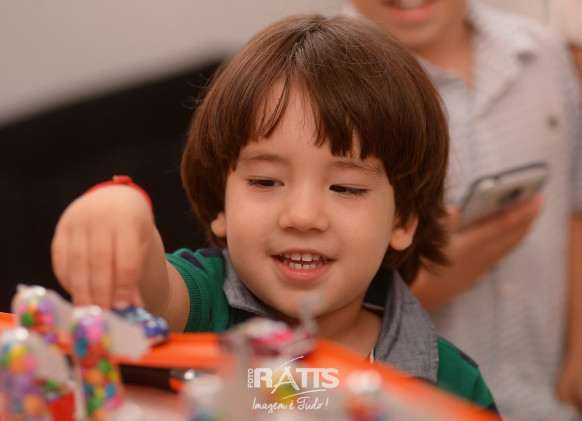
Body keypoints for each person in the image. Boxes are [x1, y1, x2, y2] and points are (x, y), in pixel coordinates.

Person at [50, 14, 499, 412]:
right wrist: (121, 208)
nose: (302, 216)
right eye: (266, 182)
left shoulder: (451, 385)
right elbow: (150, 295)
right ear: (221, 202)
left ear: (402, 220)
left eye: (345, 187)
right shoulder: (206, 302)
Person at [345, 0, 582, 419]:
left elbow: (575, 213)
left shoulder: (544, 55)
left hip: (549, 397)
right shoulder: (321, 88)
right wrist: (426, 282)